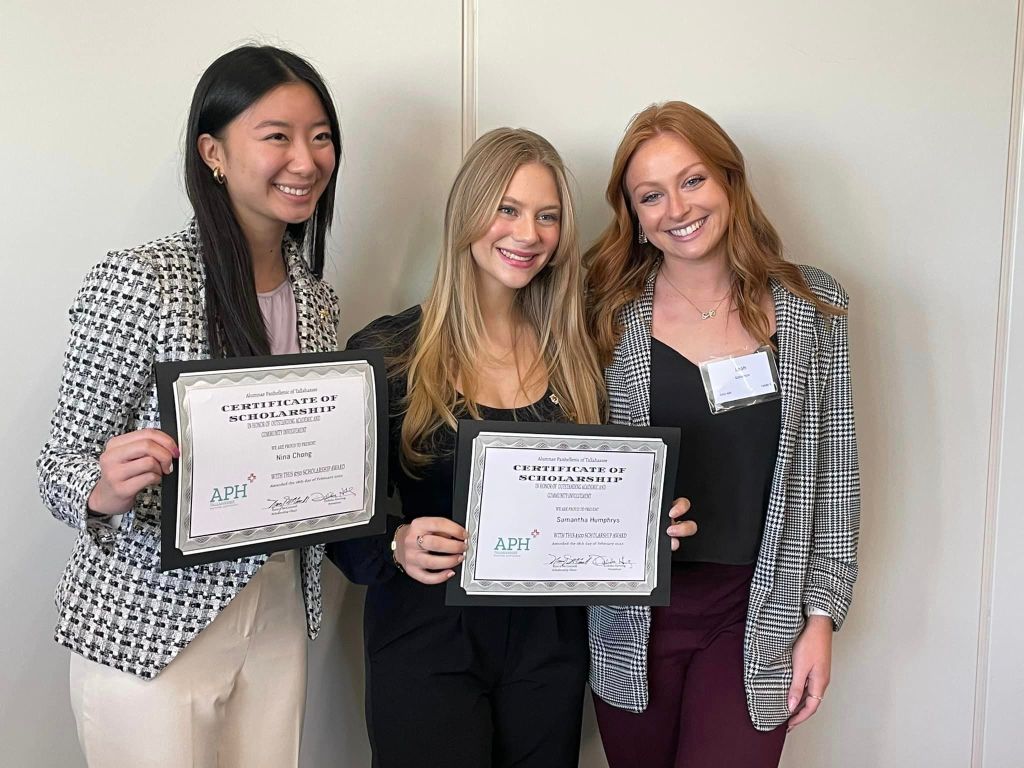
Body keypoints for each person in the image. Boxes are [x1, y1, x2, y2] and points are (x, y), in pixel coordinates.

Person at [36, 45, 342, 768]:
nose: (305, 160)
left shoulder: (318, 300)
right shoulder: (140, 279)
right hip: (150, 625)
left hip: (276, 614)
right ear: (213, 153)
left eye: (321, 137)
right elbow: (59, 465)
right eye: (277, 136)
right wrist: (104, 486)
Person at [585, 101, 860, 768]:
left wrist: (821, 618)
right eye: (651, 195)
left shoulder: (812, 307)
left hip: (756, 613)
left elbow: (837, 474)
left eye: (693, 180)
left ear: (729, 180)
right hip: (631, 621)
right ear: (634, 215)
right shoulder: (603, 315)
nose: (677, 208)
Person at [331, 127, 611, 767]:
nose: (528, 234)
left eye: (547, 216)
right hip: (426, 633)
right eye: (507, 209)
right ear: (467, 212)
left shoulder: (580, 354)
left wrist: (645, 525)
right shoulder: (391, 352)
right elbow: (336, 515)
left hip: (550, 641)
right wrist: (395, 544)